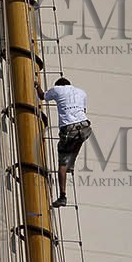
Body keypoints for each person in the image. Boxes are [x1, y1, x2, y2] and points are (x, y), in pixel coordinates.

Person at [41, 76, 89, 208]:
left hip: (68, 129)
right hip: (85, 126)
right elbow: (83, 111)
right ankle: (72, 163)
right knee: (80, 138)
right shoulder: (81, 92)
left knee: (62, 164)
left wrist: (36, 85)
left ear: (59, 85)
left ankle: (62, 197)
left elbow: (42, 96)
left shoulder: (57, 89)